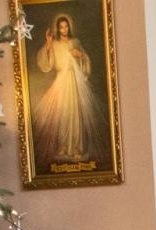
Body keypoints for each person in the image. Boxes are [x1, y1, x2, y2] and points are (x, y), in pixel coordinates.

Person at [32, 14, 106, 167]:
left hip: (74, 81)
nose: (64, 29)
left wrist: (79, 55)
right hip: (62, 82)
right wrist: (48, 44)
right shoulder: (55, 44)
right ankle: (64, 147)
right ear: (58, 29)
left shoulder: (75, 42)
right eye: (61, 27)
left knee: (75, 114)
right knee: (63, 114)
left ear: (69, 27)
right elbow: (48, 64)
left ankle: (77, 148)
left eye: (66, 26)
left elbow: (84, 59)